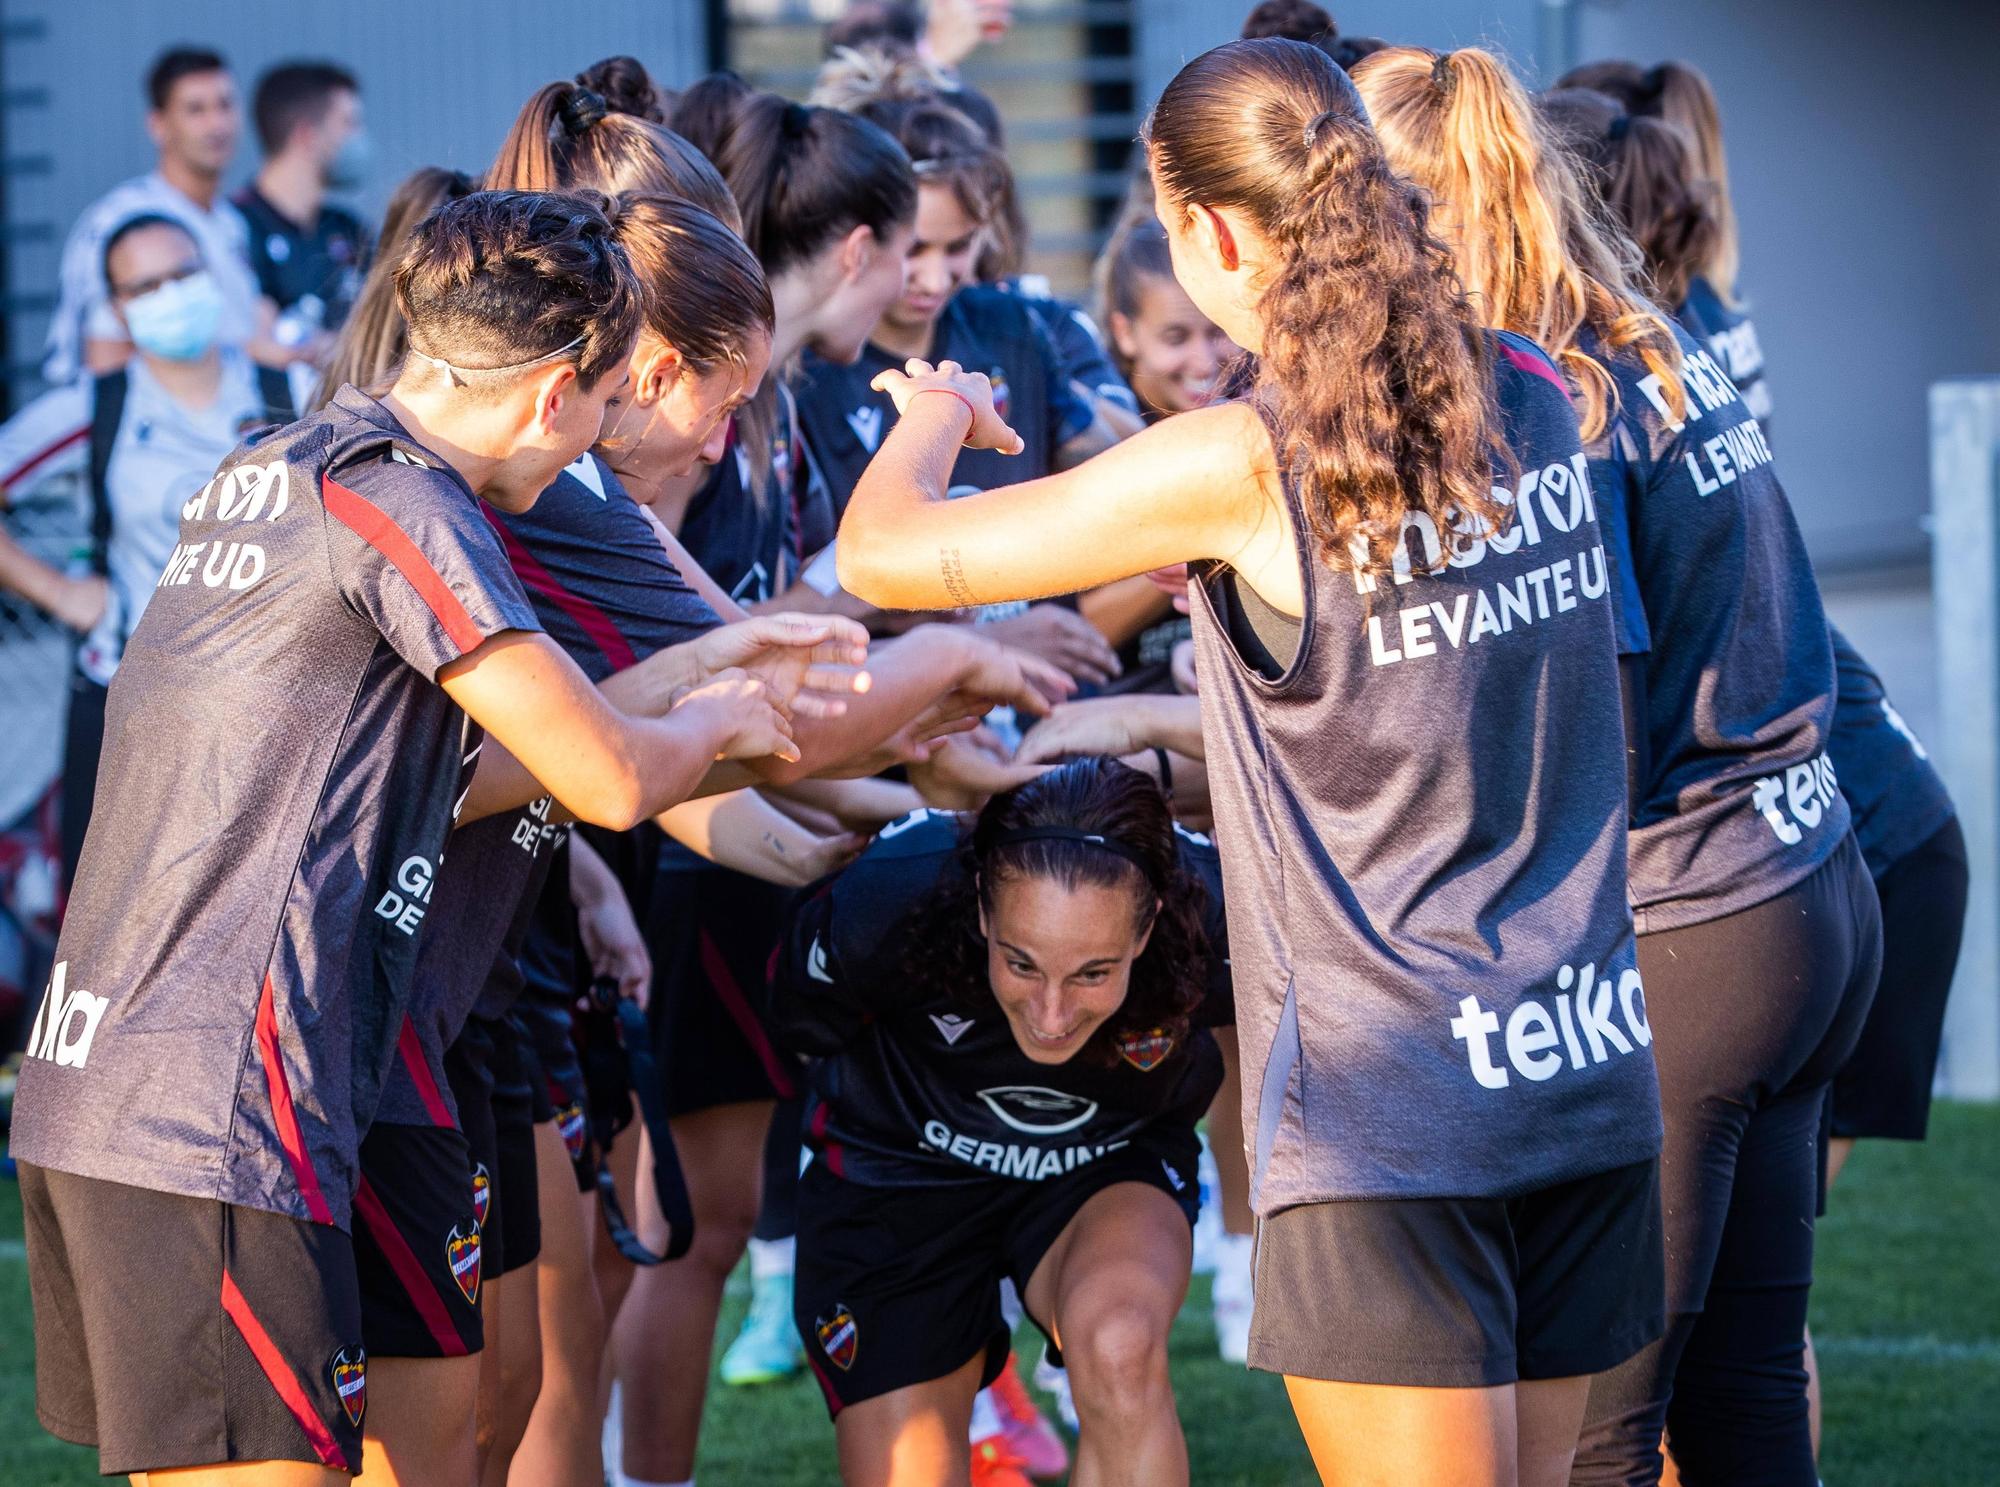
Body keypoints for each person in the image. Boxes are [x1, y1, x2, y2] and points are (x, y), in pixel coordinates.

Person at [837, 37, 1667, 1487]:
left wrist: (930, 420)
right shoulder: (1537, 388)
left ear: (1209, 231)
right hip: (1581, 1061)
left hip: (1390, 1101)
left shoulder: (1240, 458)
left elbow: (881, 553)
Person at [8, 188, 821, 1483]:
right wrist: (725, 699)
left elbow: (447, 759)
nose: (602, 443)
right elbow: (603, 773)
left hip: (145, 1076)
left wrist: (714, 660)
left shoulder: (278, 460)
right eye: (609, 402)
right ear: (556, 393)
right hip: (211, 1096)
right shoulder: (408, 505)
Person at [1351, 46, 1883, 1486]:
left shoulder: (1549, 396)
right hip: (1804, 884)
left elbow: (1605, 700)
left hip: (1690, 926)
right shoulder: (1645, 333)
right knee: (1745, 1394)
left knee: (1599, 1432)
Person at [1552, 84, 1968, 1460]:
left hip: (1742, 890)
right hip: (1838, 856)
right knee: (1740, 1355)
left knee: (1633, 1395)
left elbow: (1597, 698)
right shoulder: (1682, 346)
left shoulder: (1587, 390)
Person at [774, 759, 1231, 1487]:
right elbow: (802, 1020)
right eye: (1021, 963)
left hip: (1103, 1163)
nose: (1052, 1016)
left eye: (1092, 972)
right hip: (901, 1166)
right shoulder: (891, 894)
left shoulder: (1217, 913)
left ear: (1148, 929)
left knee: (1120, 1344)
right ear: (982, 909)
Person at [794, 89, 1128, 691]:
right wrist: (980, 644)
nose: (935, 275)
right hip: (887, 715)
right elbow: (807, 601)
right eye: (916, 248)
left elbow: (1105, 483)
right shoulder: (811, 372)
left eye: (959, 246)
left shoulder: (1013, 327)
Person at [0, 213, 295, 890]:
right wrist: (59, 593)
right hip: (126, 706)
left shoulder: (288, 395)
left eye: (184, 273)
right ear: (118, 309)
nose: (172, 294)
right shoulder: (94, 408)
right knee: (106, 939)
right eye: (147, 285)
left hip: (260, 706)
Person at [44, 46, 267, 382]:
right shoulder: (120, 222)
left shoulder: (231, 223)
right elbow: (105, 362)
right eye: (196, 110)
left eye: (225, 105)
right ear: (158, 125)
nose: (216, 124)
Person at [236, 60, 373, 356]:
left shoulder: (349, 228)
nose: (360, 138)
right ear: (307, 135)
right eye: (349, 123)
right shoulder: (234, 228)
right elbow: (258, 346)